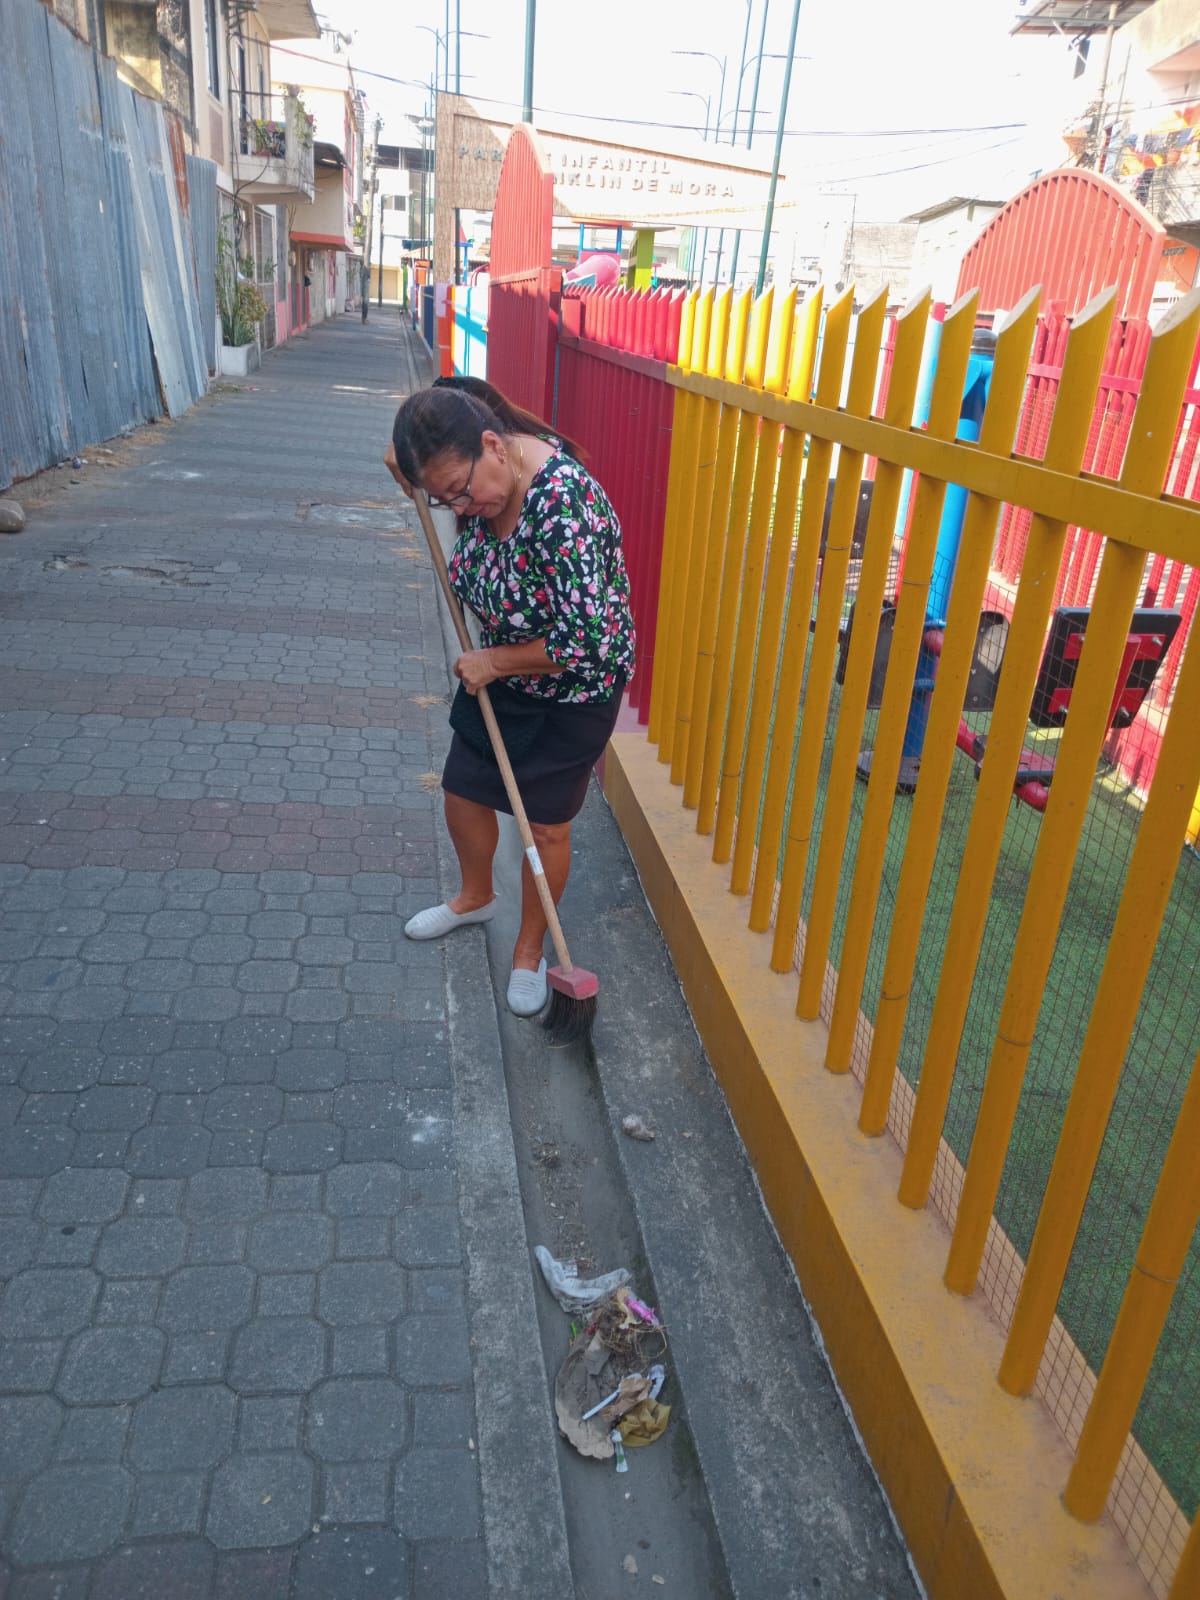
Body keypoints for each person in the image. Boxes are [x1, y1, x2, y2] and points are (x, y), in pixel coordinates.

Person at [385, 377, 635, 1016]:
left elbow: (586, 638)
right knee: (462, 790)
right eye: (443, 499)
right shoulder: (475, 475)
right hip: (500, 675)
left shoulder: (563, 505)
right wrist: (410, 472)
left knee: (544, 824)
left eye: (460, 492)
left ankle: (528, 950)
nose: (459, 508)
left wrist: (492, 661)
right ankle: (476, 898)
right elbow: (419, 446)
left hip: (574, 688)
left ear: (494, 446)